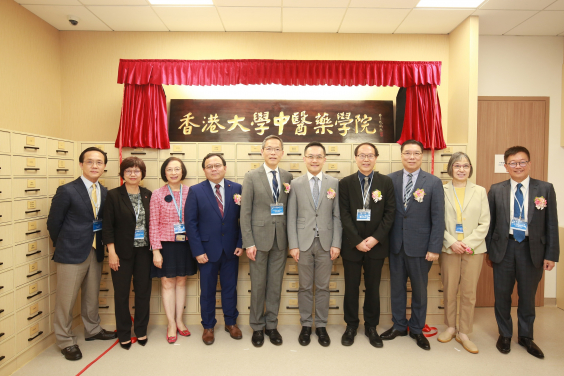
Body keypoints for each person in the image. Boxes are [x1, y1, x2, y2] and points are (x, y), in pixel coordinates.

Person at [486, 146, 559, 359]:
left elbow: (551, 224)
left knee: (527, 296)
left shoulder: (545, 189)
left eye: (522, 162)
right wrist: (488, 252)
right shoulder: (496, 189)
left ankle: (526, 336)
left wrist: (551, 254)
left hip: (532, 249)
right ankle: (505, 334)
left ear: (529, 163)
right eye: (513, 163)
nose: (518, 166)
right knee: (502, 295)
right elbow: (489, 224)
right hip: (504, 248)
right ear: (506, 166)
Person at [47, 147, 117, 361]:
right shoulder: (67, 190)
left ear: (104, 167)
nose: (95, 166)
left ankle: (93, 329)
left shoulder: (104, 192)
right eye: (90, 162)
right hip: (70, 252)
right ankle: (65, 340)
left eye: (99, 162)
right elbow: (53, 223)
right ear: (81, 164)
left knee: (91, 295)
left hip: (95, 250)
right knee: (66, 300)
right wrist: (65, 244)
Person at [383, 139, 445, 351]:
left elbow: (438, 217)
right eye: (407, 153)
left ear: (422, 156)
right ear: (401, 155)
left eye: (416, 153)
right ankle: (399, 325)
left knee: (419, 290)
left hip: (421, 247)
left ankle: (417, 329)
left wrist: (434, 247)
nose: (411, 157)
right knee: (397, 288)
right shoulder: (390, 180)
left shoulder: (433, 182)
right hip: (396, 245)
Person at [338, 142, 395, 348]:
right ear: (355, 158)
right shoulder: (345, 183)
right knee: (351, 287)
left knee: (373, 287)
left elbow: (390, 214)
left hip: (376, 245)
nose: (366, 159)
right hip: (352, 246)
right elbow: (343, 214)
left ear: (376, 158)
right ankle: (351, 325)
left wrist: (375, 238)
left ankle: (371, 326)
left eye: (370, 155)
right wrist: (357, 241)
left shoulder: (385, 182)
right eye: (362, 155)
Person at [287, 142, 342, 347]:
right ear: (304, 158)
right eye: (310, 156)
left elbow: (337, 216)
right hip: (303, 243)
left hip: (326, 244)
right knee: (304, 286)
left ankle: (321, 325)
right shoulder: (296, 183)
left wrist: (336, 243)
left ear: (325, 159)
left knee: (323, 287)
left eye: (319, 156)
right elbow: (291, 217)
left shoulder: (334, 183)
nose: (314, 160)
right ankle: (305, 325)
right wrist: (293, 244)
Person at [241, 135, 293, 347]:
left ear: (282, 153)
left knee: (274, 285)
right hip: (258, 241)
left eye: (277, 149)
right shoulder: (251, 176)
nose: (273, 152)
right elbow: (245, 213)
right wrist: (248, 242)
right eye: (269, 148)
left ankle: (271, 325)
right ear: (262, 151)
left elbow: (290, 210)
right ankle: (257, 327)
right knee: (259, 284)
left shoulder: (288, 176)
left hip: (280, 240)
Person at [186, 153, 243, 345]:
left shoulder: (236, 188)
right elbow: (191, 223)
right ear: (204, 170)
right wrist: (197, 251)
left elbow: (243, 219)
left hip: (231, 249)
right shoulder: (196, 190)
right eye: (209, 166)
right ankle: (208, 326)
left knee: (230, 288)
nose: (214, 169)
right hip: (206, 250)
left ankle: (231, 323)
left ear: (225, 168)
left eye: (217, 165)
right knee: (207, 290)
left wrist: (240, 243)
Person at [437, 152, 490, 354]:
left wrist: (467, 243)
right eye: (457, 165)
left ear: (470, 169)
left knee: (469, 292)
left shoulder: (480, 191)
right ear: (450, 168)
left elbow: (485, 222)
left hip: (473, 249)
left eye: (465, 166)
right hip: (449, 248)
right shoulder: (441, 190)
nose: (461, 169)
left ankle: (465, 332)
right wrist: (451, 242)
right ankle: (451, 327)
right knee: (450, 289)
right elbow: (436, 221)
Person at [102, 157, 152, 349]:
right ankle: (123, 332)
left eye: (136, 171)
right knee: (121, 294)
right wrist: (112, 253)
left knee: (143, 293)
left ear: (142, 174)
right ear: (122, 174)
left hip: (144, 252)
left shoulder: (148, 194)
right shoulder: (114, 196)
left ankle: (141, 330)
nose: (133, 174)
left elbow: (152, 224)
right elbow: (108, 227)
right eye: (129, 170)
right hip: (121, 252)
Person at [149, 157, 196, 343]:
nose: (174, 172)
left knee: (182, 282)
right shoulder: (157, 194)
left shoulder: (191, 192)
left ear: (182, 171)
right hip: (165, 245)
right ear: (164, 172)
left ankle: (180, 321)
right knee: (167, 283)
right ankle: (170, 323)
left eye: (177, 169)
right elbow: (153, 224)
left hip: (186, 243)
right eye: (170, 169)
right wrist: (155, 251)